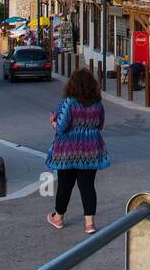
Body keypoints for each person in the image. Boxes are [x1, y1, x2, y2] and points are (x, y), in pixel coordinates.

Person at [45, 68, 110, 234]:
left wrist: (53, 122)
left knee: (65, 186)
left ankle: (58, 217)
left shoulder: (69, 102)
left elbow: (61, 128)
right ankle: (89, 224)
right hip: (91, 149)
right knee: (87, 186)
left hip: (68, 150)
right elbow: (100, 125)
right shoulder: (98, 104)